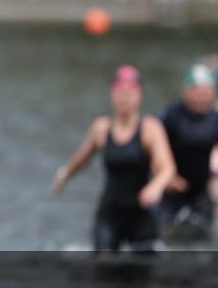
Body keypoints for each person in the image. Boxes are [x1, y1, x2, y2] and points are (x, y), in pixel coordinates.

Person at [54, 65, 176, 252]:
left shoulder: (150, 128)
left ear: (139, 95)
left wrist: (156, 187)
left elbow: (167, 168)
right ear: (112, 94)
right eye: (120, 92)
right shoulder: (102, 128)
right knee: (103, 263)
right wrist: (65, 174)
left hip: (141, 214)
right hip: (110, 214)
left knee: (142, 267)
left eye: (129, 93)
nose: (124, 98)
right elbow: (82, 158)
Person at [157, 64, 218, 242]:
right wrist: (169, 177)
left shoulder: (216, 119)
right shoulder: (172, 115)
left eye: (207, 92)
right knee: (166, 238)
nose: (202, 96)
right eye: (197, 91)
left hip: (201, 192)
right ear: (186, 91)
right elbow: (156, 149)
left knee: (204, 240)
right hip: (173, 190)